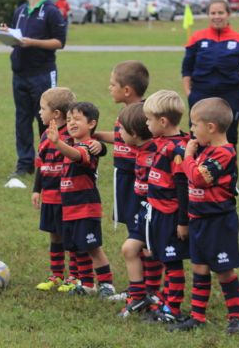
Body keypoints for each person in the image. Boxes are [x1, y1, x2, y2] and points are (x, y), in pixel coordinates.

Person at [169, 98, 239, 334]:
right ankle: (197, 316)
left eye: (194, 125)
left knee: (223, 269)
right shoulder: (206, 151)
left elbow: (199, 178)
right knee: (199, 268)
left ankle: (236, 318)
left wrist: (189, 156)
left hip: (218, 221)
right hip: (199, 219)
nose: (191, 130)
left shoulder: (224, 153)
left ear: (210, 127)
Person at [94, 61, 162, 300]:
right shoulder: (128, 113)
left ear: (127, 91)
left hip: (138, 179)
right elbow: (121, 138)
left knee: (141, 233)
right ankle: (139, 285)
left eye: (113, 84)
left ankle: (147, 289)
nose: (108, 87)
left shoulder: (145, 115)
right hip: (123, 177)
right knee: (134, 230)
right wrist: (92, 134)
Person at [0, 0, 67, 178]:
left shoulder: (51, 11)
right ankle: (25, 163)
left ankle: (49, 158)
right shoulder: (20, 10)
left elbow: (59, 42)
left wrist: (33, 42)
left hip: (42, 73)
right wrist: (8, 34)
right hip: (20, 73)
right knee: (22, 119)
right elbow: (19, 38)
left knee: (46, 118)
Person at [46, 102, 116, 297]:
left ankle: (106, 284)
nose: (71, 123)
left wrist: (58, 143)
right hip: (70, 208)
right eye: (68, 120)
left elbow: (77, 155)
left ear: (91, 123)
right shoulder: (74, 143)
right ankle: (87, 284)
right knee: (77, 248)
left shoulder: (87, 148)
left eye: (77, 119)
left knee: (92, 247)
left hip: (86, 207)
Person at [181, 0, 239, 147]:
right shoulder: (197, 37)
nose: (216, 16)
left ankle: (229, 170)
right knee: (198, 135)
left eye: (220, 12)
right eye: (213, 13)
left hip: (231, 94)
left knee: (229, 134)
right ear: (208, 15)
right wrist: (189, 93)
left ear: (228, 14)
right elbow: (186, 68)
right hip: (201, 93)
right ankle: (196, 169)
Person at [142, 90, 190, 323]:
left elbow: (182, 188)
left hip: (171, 214)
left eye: (149, 119)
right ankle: (166, 299)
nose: (146, 124)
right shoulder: (161, 142)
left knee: (172, 261)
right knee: (163, 257)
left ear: (162, 122)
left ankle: (174, 308)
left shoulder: (178, 149)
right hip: (157, 212)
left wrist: (183, 221)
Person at [115, 103, 162, 317]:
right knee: (133, 249)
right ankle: (140, 296)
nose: (119, 134)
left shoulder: (158, 152)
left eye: (121, 130)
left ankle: (150, 294)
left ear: (133, 134)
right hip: (143, 211)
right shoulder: (139, 149)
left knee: (145, 251)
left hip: (158, 213)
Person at [32, 87, 76, 291]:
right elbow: (40, 165)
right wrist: (36, 190)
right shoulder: (44, 137)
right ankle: (56, 275)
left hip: (65, 198)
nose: (39, 112)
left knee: (69, 236)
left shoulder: (69, 138)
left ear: (56, 114)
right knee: (54, 235)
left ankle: (74, 277)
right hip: (49, 197)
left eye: (43, 109)